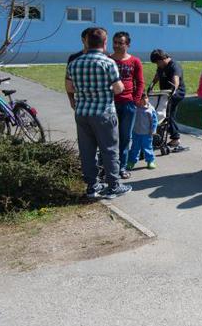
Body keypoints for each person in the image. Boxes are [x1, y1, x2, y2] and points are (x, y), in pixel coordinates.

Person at [66, 27, 131, 199]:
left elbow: (69, 87)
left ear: (87, 42)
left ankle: (92, 186)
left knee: (87, 151)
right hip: (103, 112)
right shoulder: (108, 62)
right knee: (109, 150)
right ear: (105, 42)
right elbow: (118, 89)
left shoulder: (75, 63)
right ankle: (113, 186)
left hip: (82, 112)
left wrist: (85, 90)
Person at [111, 31, 144, 179]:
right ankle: (108, 166)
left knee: (125, 137)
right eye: (115, 42)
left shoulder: (135, 61)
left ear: (128, 45)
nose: (117, 45)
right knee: (109, 137)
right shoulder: (107, 60)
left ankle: (122, 167)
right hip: (109, 104)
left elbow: (140, 82)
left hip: (128, 104)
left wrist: (135, 100)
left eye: (121, 43)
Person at [149, 49, 185, 149]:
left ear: (162, 59)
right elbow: (157, 75)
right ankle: (161, 137)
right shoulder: (161, 66)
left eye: (157, 62)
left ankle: (175, 138)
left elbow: (176, 80)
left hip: (176, 93)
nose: (157, 65)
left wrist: (172, 91)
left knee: (168, 114)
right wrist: (151, 85)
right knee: (163, 114)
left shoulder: (174, 66)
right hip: (165, 93)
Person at [65, 27, 95, 109]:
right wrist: (71, 100)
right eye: (90, 39)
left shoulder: (105, 57)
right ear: (83, 40)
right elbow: (68, 82)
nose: (93, 41)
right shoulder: (74, 58)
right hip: (81, 102)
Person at [128, 92, 158, 171]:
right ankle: (132, 161)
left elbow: (154, 121)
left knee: (148, 148)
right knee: (135, 148)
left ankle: (150, 161)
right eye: (142, 98)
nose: (144, 100)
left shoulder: (150, 109)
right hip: (136, 132)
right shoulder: (135, 108)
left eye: (146, 98)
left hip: (147, 133)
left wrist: (153, 130)